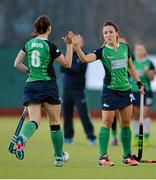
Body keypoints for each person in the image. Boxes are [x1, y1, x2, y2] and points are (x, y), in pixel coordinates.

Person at [71, 21, 145, 166]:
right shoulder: (102, 51)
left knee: (125, 124)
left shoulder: (125, 48)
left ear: (117, 33)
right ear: (103, 36)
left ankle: (127, 156)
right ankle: (103, 158)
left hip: (125, 91)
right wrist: (77, 46)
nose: (108, 35)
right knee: (107, 123)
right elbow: (85, 59)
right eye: (105, 33)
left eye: (111, 32)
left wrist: (139, 83)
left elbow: (130, 66)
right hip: (110, 92)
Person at [13, 15, 73, 167]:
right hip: (48, 87)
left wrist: (30, 72)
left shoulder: (28, 44)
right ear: (49, 28)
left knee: (34, 120)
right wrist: (70, 45)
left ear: (36, 29)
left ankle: (23, 138)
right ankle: (59, 157)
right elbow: (67, 63)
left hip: (31, 86)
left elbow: (17, 64)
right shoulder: (50, 46)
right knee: (54, 123)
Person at [61, 35, 96, 145]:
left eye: (79, 41)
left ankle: (91, 137)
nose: (76, 42)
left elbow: (77, 70)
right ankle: (68, 137)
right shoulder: (69, 54)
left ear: (82, 43)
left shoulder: (84, 56)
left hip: (79, 90)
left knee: (83, 114)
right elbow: (62, 67)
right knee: (67, 115)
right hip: (67, 90)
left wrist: (68, 67)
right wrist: (68, 66)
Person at [131, 42, 155, 146]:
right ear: (135, 51)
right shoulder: (131, 62)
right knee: (135, 114)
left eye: (141, 49)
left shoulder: (149, 63)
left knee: (145, 112)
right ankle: (136, 137)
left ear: (145, 51)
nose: (139, 51)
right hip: (134, 91)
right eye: (137, 49)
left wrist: (148, 73)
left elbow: (152, 78)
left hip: (146, 91)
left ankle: (145, 136)